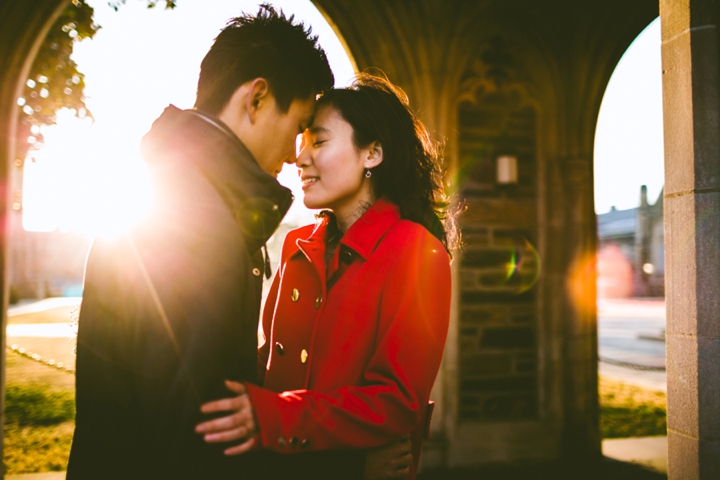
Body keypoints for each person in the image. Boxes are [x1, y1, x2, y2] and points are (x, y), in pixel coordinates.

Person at [67, 5, 332, 479]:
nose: (296, 156)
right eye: (298, 127)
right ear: (256, 98)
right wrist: (347, 467)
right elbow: (196, 438)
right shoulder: (196, 222)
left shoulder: (176, 192)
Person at [196, 73, 459, 480]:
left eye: (318, 141)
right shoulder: (296, 245)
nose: (300, 158)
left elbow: (396, 402)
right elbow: (268, 368)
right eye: (302, 142)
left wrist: (274, 417)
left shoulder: (418, 252)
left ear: (372, 153)